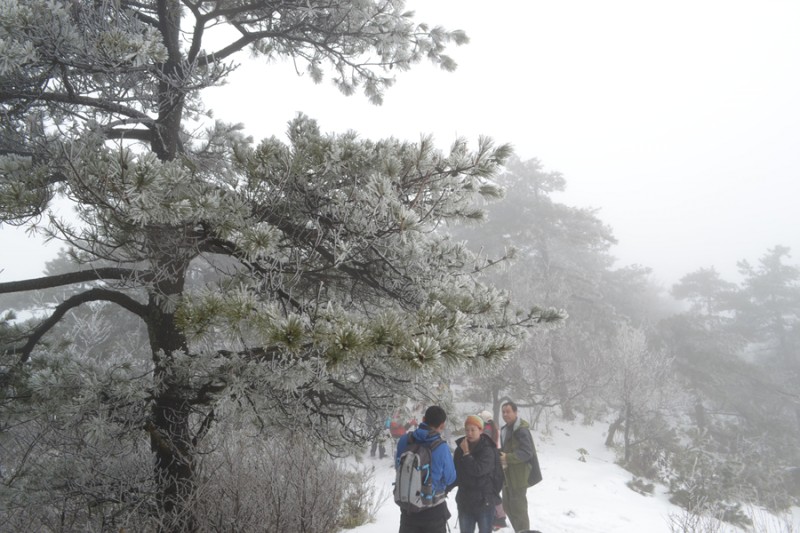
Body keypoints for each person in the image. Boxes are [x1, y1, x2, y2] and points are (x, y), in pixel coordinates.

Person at [395, 405, 457, 533]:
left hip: (408, 510)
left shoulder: (405, 440)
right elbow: (450, 478)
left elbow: (398, 466)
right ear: (442, 425)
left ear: (423, 419)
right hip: (433, 511)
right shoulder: (442, 447)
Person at [451, 415, 502, 533]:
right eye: (467, 430)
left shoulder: (488, 449)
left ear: (481, 430)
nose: (469, 433)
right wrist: (445, 489)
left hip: (484, 502)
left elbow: (478, 470)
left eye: (473, 430)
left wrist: (467, 453)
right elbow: (456, 473)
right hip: (465, 502)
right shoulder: (460, 449)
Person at [499, 401, 542, 533]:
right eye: (503, 412)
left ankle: (523, 531)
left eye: (508, 411)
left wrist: (507, 457)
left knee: (519, 510)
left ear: (515, 412)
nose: (505, 414)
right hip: (507, 476)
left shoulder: (521, 430)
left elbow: (527, 452)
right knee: (507, 506)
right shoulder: (505, 429)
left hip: (518, 477)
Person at [478, 410, 508, 530]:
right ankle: (498, 517)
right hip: (496, 459)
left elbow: (484, 444)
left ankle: (499, 517)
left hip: (489, 460)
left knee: (490, 491)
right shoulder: (495, 428)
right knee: (493, 491)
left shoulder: (487, 429)